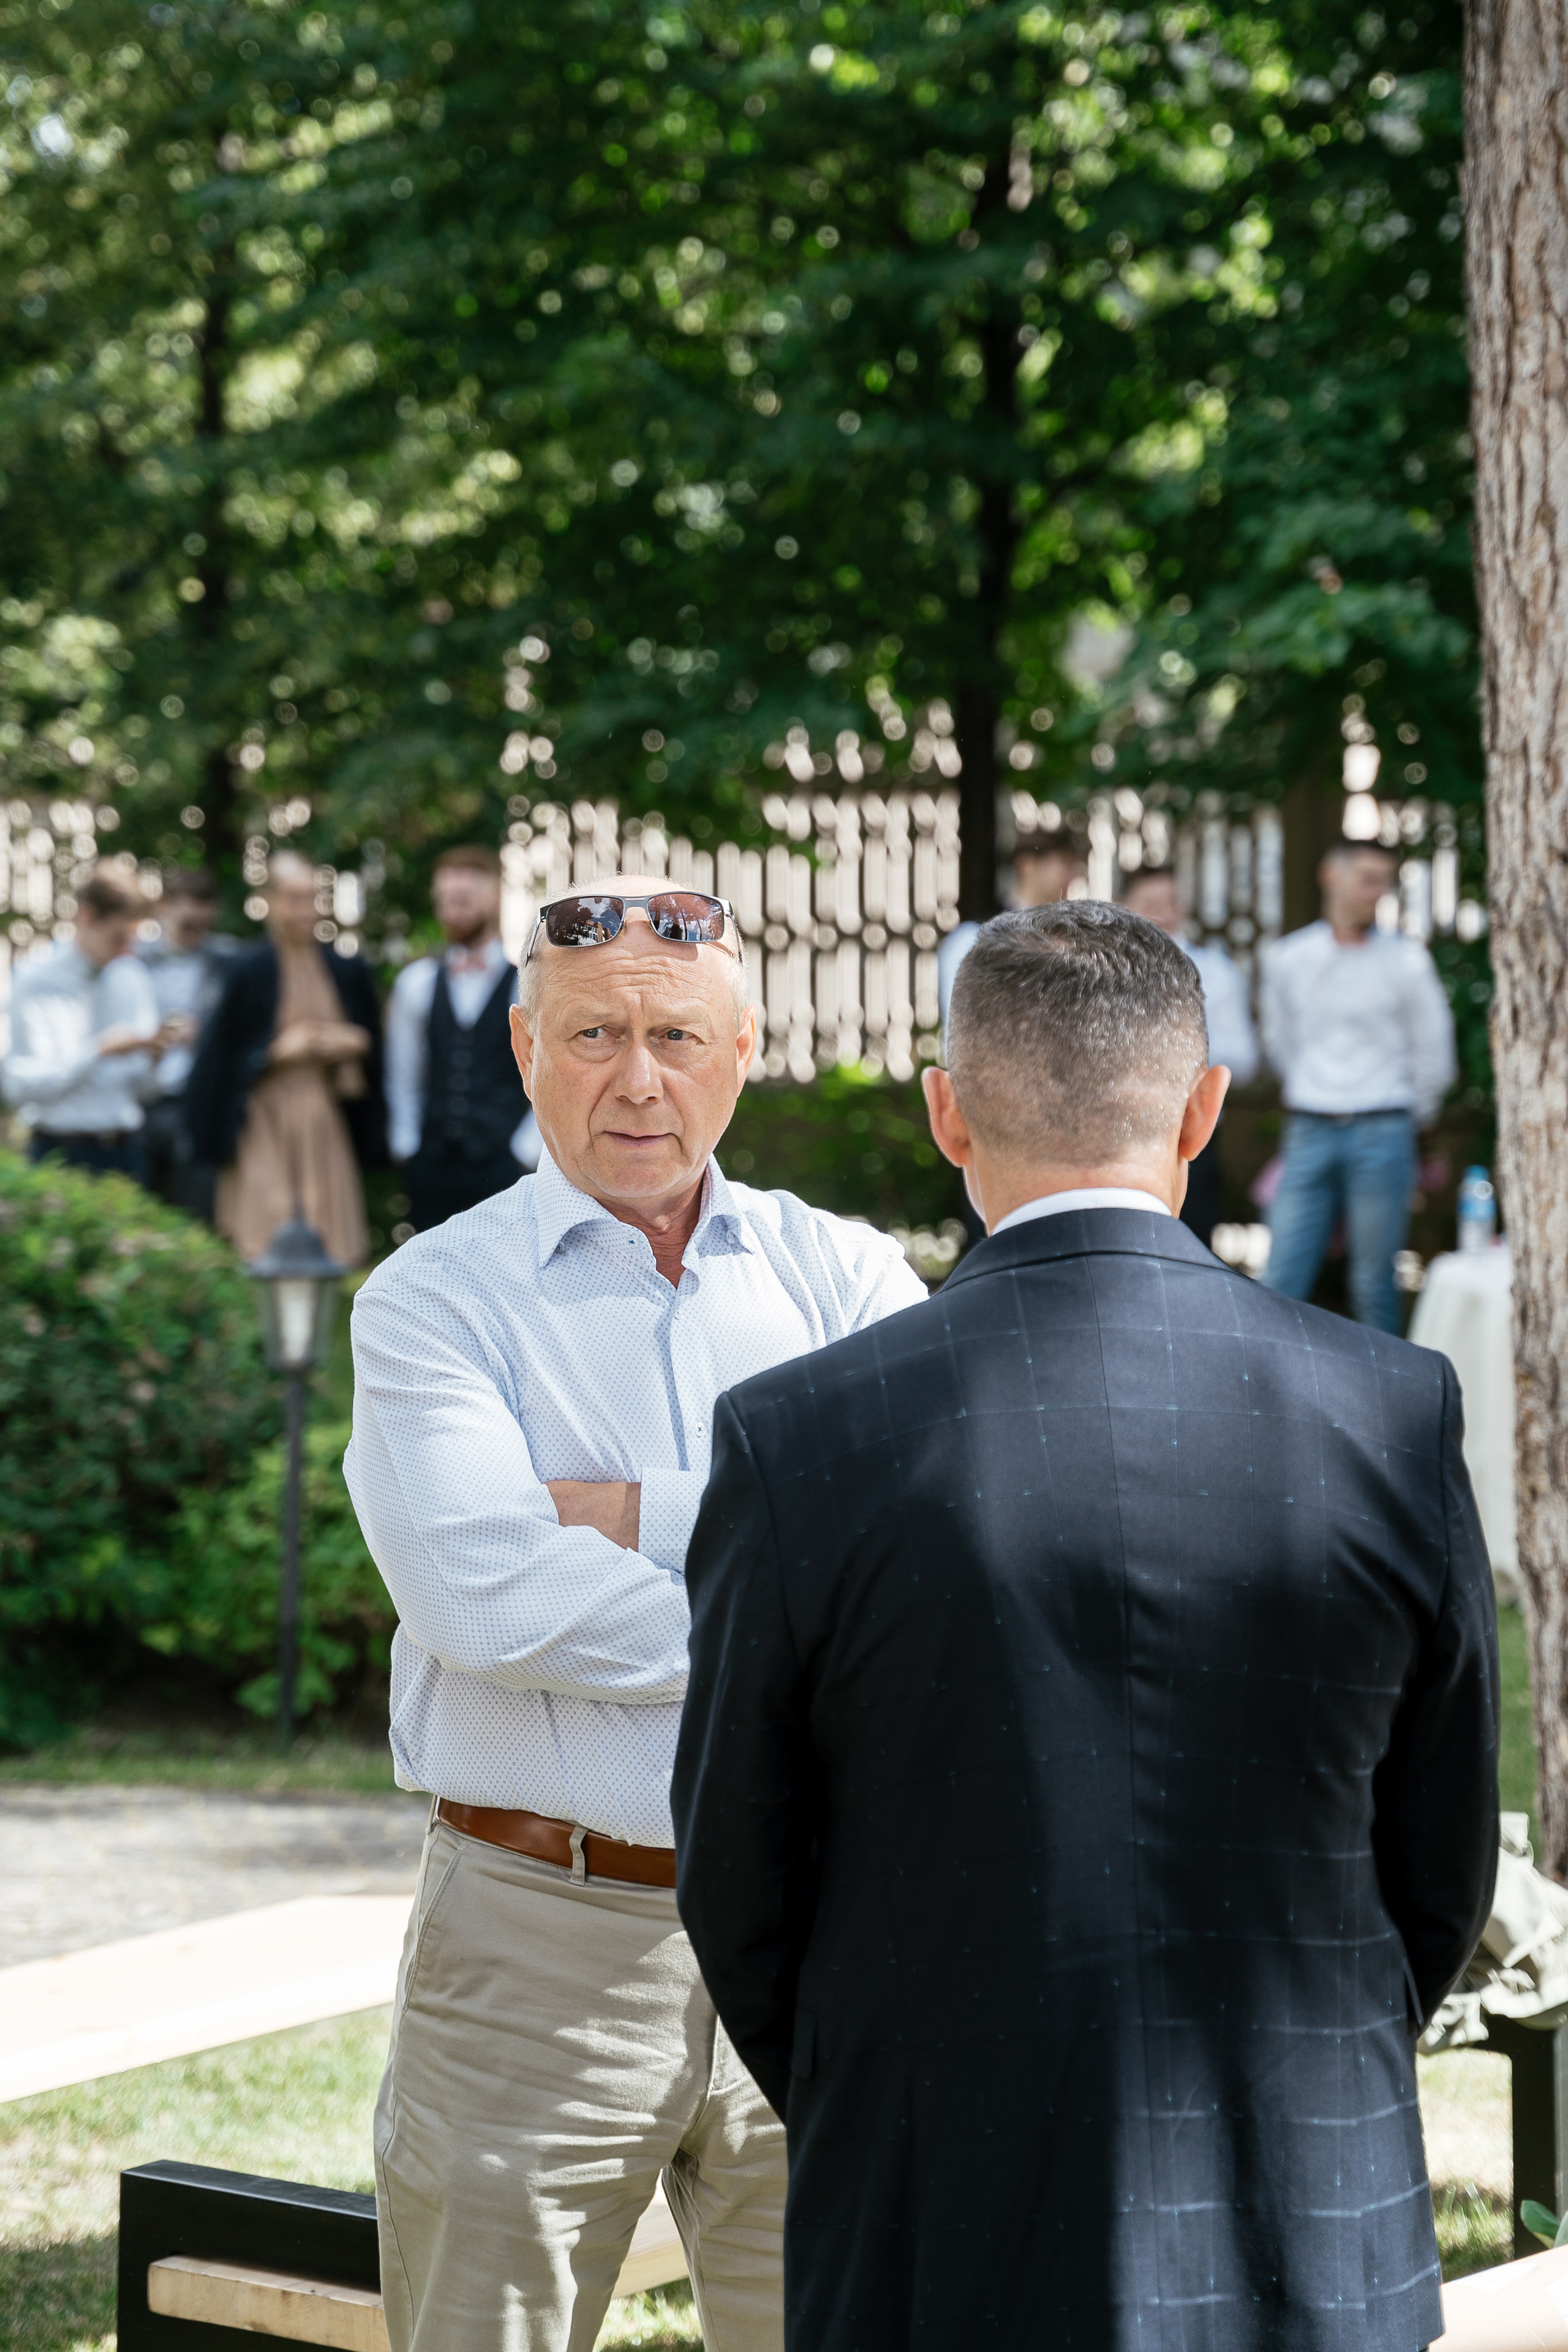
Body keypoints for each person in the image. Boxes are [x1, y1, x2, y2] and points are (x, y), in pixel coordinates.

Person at [673, 899, 1499, 2352]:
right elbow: (1435, 1856)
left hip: (932, 2201)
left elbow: (737, 1870)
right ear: (1200, 1111)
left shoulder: (802, 1435)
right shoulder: (1386, 1408)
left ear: (944, 1114)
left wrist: (886, 2079)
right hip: (1302, 2202)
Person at [344, 874, 926, 2352]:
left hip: (817, 1932)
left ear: (744, 1048)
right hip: (540, 1938)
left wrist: (618, 1503)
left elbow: (927, 1561)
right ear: (526, 1048)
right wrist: (797, 1597)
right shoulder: (435, 1300)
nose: (637, 1076)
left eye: (676, 1032)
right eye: (593, 1034)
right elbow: (484, 1591)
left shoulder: (845, 1276)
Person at [1260, 840, 1456, 1332]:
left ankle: (1387, 1402)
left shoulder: (1407, 961)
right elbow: (1280, 1042)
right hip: (1309, 1126)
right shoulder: (1290, 958)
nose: (1378, 892)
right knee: (1281, 1273)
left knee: (1375, 1281)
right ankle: (1264, 1395)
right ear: (1332, 875)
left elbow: (1435, 1054)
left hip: (1382, 1127)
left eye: (1384, 881)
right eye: (1368, 878)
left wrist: (1415, 1118)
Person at [184, 851, 385, 1265]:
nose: (306, 910)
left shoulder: (344, 969)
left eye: (312, 898)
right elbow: (219, 1059)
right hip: (263, 1122)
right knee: (265, 1238)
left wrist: (351, 1043)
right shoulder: (246, 970)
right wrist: (275, 1053)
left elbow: (373, 1043)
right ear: (270, 901)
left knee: (328, 1236)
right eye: (294, 898)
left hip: (323, 1119)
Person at [384, 845, 539, 1232]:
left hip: (505, 1166)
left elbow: (550, 1075)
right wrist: (407, 1147)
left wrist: (525, 1152)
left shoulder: (525, 986)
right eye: (446, 900)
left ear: (495, 899)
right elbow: (403, 1075)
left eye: (464, 899)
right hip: (431, 1166)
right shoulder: (416, 984)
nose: (453, 910)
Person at [2, 871, 174, 1178]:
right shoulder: (35, 981)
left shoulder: (131, 976)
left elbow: (143, 1090)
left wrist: (154, 1058)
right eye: (119, 938)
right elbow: (18, 1087)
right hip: (61, 1154)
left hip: (127, 1151)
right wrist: (99, 1050)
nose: (127, 951)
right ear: (87, 917)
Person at [1121, 863, 1259, 1246]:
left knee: (1191, 1246)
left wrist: (1170, 1053)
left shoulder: (1216, 971)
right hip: (1114, 1134)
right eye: (1151, 903)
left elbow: (1244, 1061)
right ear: (1124, 907)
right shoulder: (1099, 969)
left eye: (1172, 902)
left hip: (1191, 1133)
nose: (1163, 913)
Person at [137, 867, 237, 1219]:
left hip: (199, 1105)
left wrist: (205, 1034)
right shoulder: (132, 960)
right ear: (164, 908)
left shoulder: (228, 961)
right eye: (187, 920)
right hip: (141, 1103)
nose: (195, 928)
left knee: (196, 1213)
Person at [937, 829, 1087, 1027]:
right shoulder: (972, 936)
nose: (1072, 876)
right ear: (1027, 865)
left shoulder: (1072, 938)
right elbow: (958, 1024)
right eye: (1065, 864)